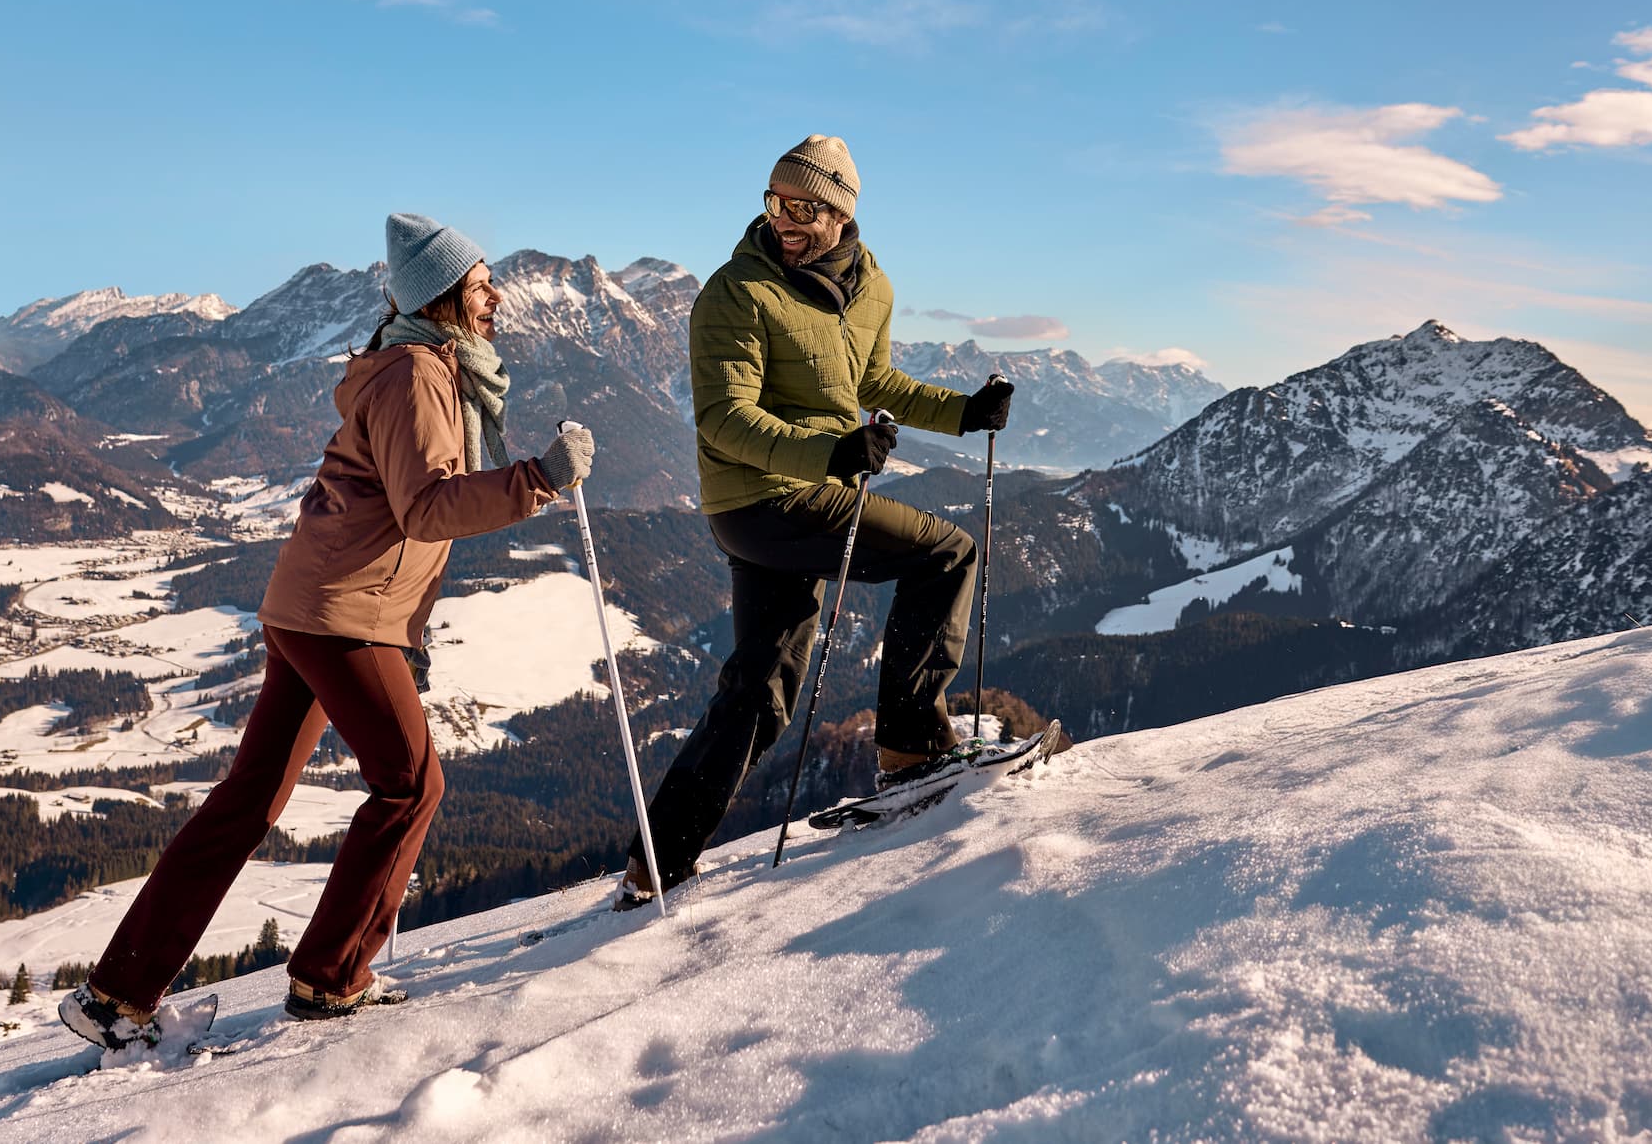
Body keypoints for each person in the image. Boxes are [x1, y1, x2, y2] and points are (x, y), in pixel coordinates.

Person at [61, 214, 594, 1048]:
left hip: (308, 605)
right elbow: (427, 504)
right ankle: (330, 975)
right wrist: (538, 480)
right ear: (447, 296)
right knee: (413, 783)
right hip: (344, 614)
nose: (497, 297)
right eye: (484, 283)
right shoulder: (417, 373)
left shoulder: (418, 364)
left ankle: (117, 993)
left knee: (248, 799)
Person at [625, 135, 1011, 901]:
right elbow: (723, 421)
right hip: (764, 498)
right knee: (947, 553)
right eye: (775, 202)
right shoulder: (736, 292)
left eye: (803, 207)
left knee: (762, 689)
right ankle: (909, 746)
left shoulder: (873, 289)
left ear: (840, 211)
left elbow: (875, 379)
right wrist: (832, 454)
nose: (786, 220)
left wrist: (964, 413)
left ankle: (656, 861)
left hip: (802, 493)